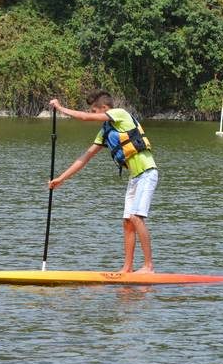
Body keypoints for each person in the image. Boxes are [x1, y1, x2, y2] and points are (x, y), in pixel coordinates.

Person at [47, 91, 158, 274]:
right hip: (135, 178)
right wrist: (60, 179)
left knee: (137, 218)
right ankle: (127, 268)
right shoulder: (105, 131)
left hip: (147, 173)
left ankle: (148, 267)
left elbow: (83, 117)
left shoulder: (121, 114)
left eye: (94, 111)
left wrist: (60, 108)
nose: (91, 114)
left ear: (105, 108)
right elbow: (85, 157)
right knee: (127, 222)